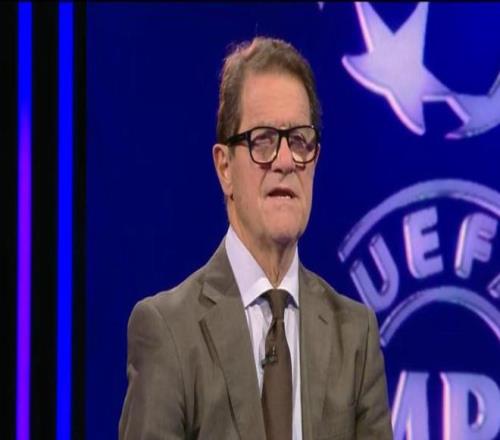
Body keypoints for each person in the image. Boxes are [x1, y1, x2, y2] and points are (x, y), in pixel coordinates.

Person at [119, 36, 393, 440]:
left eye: (299, 140)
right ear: (225, 167)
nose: (285, 161)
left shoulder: (355, 335)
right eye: (263, 140)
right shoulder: (169, 331)